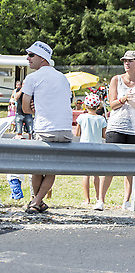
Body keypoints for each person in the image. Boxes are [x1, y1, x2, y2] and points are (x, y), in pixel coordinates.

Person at [22, 41, 73, 214]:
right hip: (65, 130)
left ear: (42, 58)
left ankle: (35, 201)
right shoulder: (63, 77)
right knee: (52, 168)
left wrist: (34, 107)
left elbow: (25, 108)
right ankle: (38, 202)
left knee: (36, 168)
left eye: (31, 55)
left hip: (45, 129)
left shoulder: (32, 78)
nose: (27, 58)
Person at [97, 50, 135, 211]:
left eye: (130, 61)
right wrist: (123, 99)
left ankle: (127, 201)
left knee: (132, 166)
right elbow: (112, 104)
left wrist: (133, 103)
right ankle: (100, 200)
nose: (126, 63)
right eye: (124, 61)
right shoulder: (116, 79)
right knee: (110, 164)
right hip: (117, 126)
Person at [75, 94, 107, 209]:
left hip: (84, 146)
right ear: (98, 106)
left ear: (85, 105)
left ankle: (87, 199)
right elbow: (104, 135)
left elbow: (77, 133)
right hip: (98, 146)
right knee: (96, 174)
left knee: (85, 174)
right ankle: (98, 198)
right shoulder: (101, 119)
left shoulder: (81, 117)